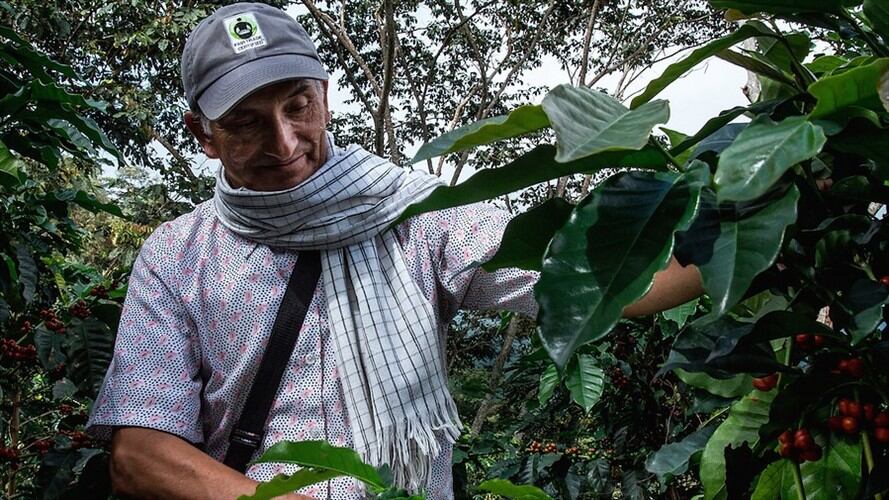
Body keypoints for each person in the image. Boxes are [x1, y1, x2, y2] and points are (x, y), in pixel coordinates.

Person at [86, 3, 702, 499]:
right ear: (203, 134)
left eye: (298, 106)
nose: (285, 141)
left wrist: (741, 232)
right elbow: (140, 455)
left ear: (324, 97)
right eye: (246, 122)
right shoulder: (177, 255)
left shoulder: (416, 216)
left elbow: (606, 284)